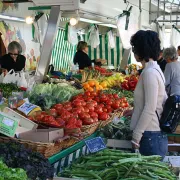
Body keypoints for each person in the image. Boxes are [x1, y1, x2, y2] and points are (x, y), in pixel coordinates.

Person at [124, 30, 168, 158]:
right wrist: (135, 111)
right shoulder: (155, 69)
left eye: (135, 48)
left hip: (150, 136)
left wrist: (136, 137)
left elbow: (150, 108)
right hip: (152, 134)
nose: (134, 52)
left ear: (141, 50)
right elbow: (159, 100)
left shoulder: (149, 73)